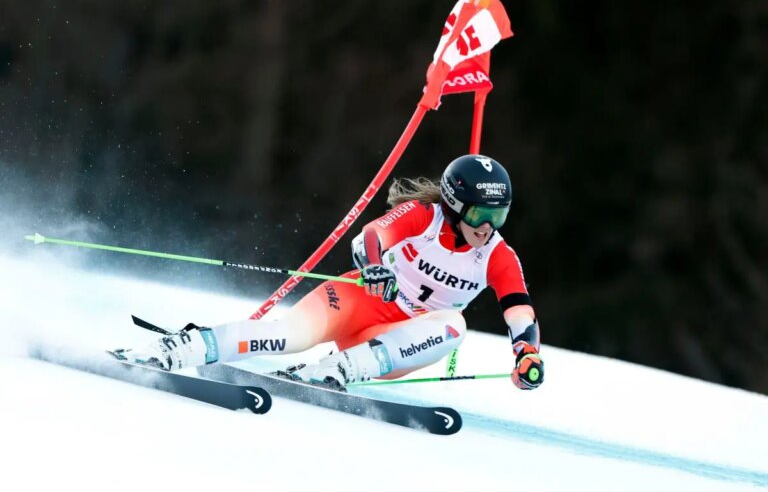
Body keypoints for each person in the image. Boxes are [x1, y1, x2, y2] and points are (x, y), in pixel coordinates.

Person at [115, 154, 544, 391]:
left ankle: (338, 370)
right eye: (480, 212)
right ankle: (183, 347)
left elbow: (518, 310)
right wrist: (375, 269)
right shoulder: (424, 216)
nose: (488, 225)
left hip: (399, 342)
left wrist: (525, 352)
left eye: (499, 214)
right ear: (454, 204)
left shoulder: (497, 254)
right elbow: (370, 237)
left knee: (454, 324)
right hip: (361, 300)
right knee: (289, 335)